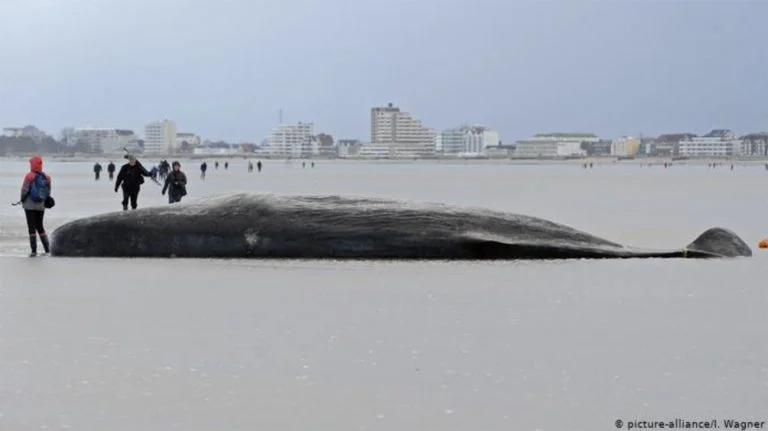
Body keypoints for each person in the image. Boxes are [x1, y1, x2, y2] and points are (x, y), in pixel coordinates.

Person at [19, 155, 52, 257]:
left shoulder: (29, 176)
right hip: (41, 206)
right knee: (40, 227)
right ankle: (47, 249)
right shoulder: (47, 177)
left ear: (32, 165)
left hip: (29, 205)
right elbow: (48, 192)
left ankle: (34, 251)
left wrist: (22, 199)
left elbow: (24, 190)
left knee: (31, 228)